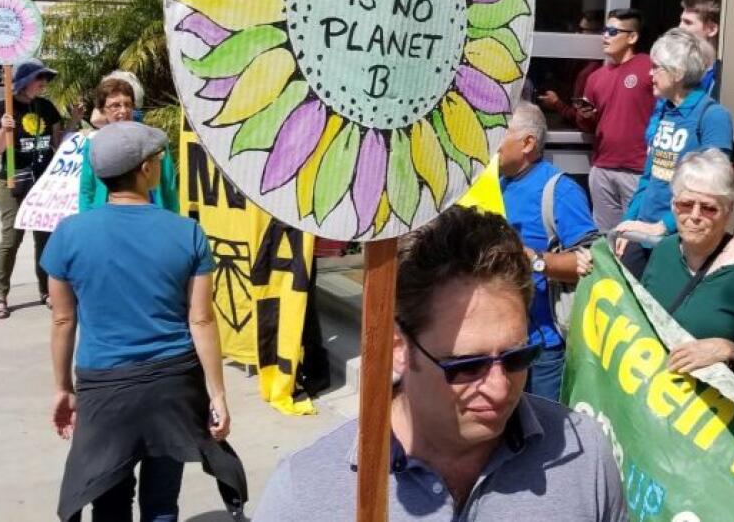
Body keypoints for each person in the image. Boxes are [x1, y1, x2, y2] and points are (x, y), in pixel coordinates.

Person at [254, 205, 627, 521]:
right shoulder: (303, 494)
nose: (499, 388)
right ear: (398, 348)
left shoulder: (586, 456)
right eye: (466, 366)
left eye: (517, 357)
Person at [44, 121, 246, 521]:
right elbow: (201, 320)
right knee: (161, 500)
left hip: (104, 387)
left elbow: (63, 320)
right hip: (173, 383)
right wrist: (217, 393)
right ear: (146, 170)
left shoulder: (68, 234)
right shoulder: (187, 232)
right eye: (157, 160)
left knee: (109, 500)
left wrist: (63, 389)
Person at [640, 150, 734, 412]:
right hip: (665, 412)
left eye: (709, 208)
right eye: (685, 204)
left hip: (725, 428)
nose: (695, 215)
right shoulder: (664, 251)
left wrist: (730, 350)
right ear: (673, 205)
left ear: (728, 211)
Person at [497, 103, 598, 401]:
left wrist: (534, 261)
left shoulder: (560, 190)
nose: (492, 142)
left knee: (546, 435)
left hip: (544, 349)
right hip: (503, 343)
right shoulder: (497, 183)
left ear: (527, 143)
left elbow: (591, 262)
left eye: (500, 133)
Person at [614, 28, 733, 278]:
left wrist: (661, 226)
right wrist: (628, 225)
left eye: (656, 67)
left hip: (680, 241)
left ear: (677, 73)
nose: (650, 74)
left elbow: (714, 190)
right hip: (644, 234)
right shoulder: (664, 111)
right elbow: (649, 178)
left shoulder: (712, 116)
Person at [562, 8, 655, 232]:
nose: (605, 36)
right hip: (602, 166)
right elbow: (589, 125)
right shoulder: (595, 77)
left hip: (638, 168)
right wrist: (585, 117)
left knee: (637, 236)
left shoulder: (649, 67)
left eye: (613, 31)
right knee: (606, 237)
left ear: (632, 37)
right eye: (605, 30)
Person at [0, 58, 72, 318]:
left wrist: (76, 121)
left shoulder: (47, 108)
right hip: (13, 181)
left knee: (45, 239)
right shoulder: (2, 107)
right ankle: (0, 295)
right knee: (12, 238)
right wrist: (5, 130)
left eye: (46, 79)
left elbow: (59, 145)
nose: (44, 84)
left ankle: (46, 290)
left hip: (43, 183)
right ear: (26, 81)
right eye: (40, 78)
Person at [78, 76, 178, 212]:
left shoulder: (155, 143)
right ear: (102, 111)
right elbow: (86, 190)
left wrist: (172, 221)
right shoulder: (93, 145)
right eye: (115, 106)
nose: (123, 111)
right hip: (106, 220)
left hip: (152, 218)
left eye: (128, 104)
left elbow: (169, 187)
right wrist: (87, 223)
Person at [539, 10, 605, 128]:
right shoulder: (580, 62)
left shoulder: (590, 71)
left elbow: (580, 117)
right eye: (577, 29)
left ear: (598, 35)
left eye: (582, 30)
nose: (577, 34)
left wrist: (556, 103)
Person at [677, 0, 721, 96]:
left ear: (711, 29)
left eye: (687, 22)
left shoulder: (723, 78)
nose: (679, 28)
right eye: (681, 21)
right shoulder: (681, 70)